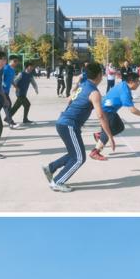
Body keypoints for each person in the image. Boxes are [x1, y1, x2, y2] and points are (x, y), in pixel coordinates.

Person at [42, 62, 115, 192]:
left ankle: (50, 168)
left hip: (64, 123)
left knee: (74, 154)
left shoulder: (84, 85)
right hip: (69, 125)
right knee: (79, 158)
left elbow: (70, 98)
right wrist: (110, 136)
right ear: (100, 75)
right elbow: (100, 116)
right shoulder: (94, 92)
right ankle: (57, 182)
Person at [90, 72, 140, 160]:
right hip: (106, 111)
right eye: (137, 81)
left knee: (120, 127)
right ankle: (95, 152)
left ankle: (99, 135)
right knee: (108, 132)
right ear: (131, 82)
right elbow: (132, 110)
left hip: (109, 110)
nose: (138, 84)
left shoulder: (123, 84)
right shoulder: (125, 91)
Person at [9, 61, 39, 126]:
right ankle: (25, 119)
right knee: (27, 104)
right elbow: (14, 81)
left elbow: (33, 82)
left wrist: (36, 89)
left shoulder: (30, 75)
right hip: (19, 93)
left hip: (24, 93)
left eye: (32, 67)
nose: (31, 68)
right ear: (27, 67)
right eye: (30, 67)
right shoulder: (21, 74)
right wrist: (16, 87)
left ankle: (8, 117)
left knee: (16, 106)